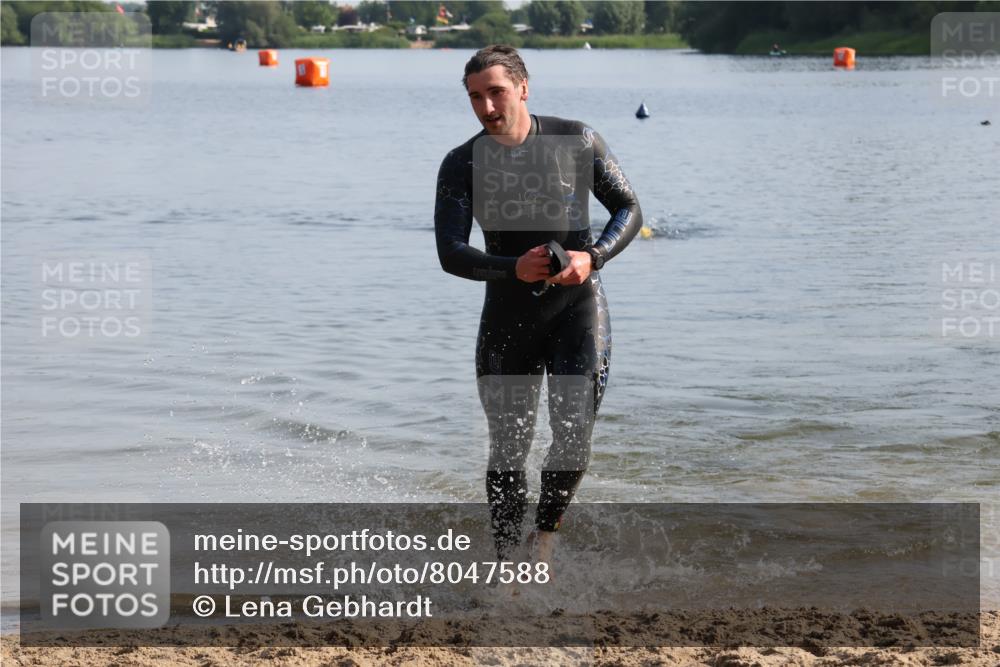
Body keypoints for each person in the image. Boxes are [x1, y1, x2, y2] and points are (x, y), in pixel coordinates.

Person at [434, 45, 642, 567]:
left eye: (496, 92)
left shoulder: (577, 140)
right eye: (475, 97)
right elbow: (450, 253)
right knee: (508, 447)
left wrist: (592, 257)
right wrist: (511, 268)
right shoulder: (462, 163)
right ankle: (505, 564)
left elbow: (629, 209)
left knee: (574, 433)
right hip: (508, 317)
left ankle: (544, 536)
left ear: (523, 88)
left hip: (578, 308)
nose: (486, 107)